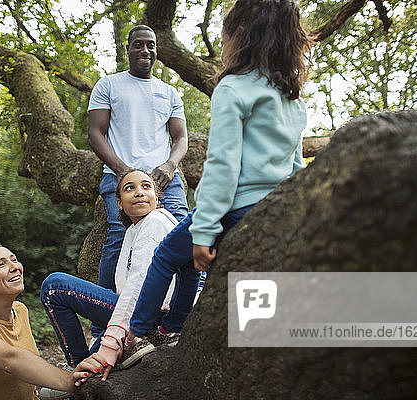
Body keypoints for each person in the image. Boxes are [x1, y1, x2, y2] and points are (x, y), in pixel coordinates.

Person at [127, 0, 311, 347]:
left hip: (234, 209)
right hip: (272, 208)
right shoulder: (292, 98)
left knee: (166, 254)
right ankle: (173, 328)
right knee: (183, 262)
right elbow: (298, 167)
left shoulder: (233, 88)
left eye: (223, 34)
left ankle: (136, 335)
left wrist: (206, 230)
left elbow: (223, 167)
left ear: (239, 36)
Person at [87, 25, 189, 342]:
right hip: (119, 176)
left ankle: (175, 319)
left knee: (184, 233)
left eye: (151, 45)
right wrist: (121, 171)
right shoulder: (108, 85)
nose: (146, 50)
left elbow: (181, 137)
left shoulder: (169, 92)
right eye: (139, 45)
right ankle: (101, 326)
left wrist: (171, 165)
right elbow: (95, 133)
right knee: (118, 236)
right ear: (128, 48)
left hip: (163, 178)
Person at [40, 169, 182, 383]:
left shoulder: (156, 221)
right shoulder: (133, 230)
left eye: (146, 186)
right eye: (130, 188)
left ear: (156, 197)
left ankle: (77, 367)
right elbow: (125, 290)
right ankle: (80, 374)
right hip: (138, 313)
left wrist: (112, 339)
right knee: (93, 365)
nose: (139, 192)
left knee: (54, 287)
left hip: (155, 316)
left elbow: (139, 285)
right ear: (119, 203)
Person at [0, 241, 107, 400]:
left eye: (14, 259)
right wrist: (67, 380)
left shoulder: (19, 310)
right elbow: (10, 359)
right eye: (1, 264)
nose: (14, 267)